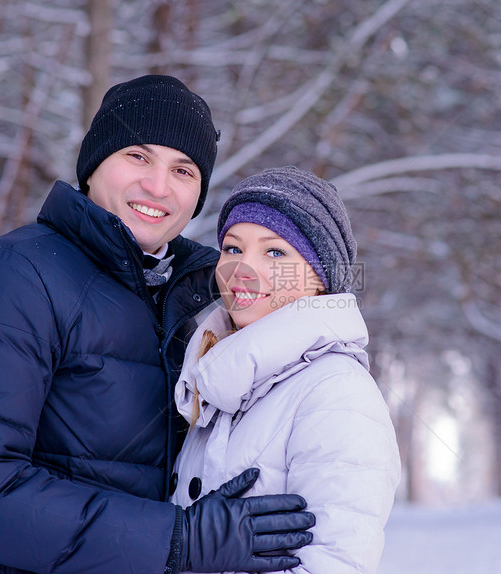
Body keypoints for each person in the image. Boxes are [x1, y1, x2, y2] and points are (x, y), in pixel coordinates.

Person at [0, 75, 315, 574]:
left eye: (184, 170)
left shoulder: (201, 296)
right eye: (138, 157)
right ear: (93, 165)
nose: (158, 186)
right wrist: (180, 540)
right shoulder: (3, 278)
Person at [171, 166, 401, 573]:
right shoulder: (214, 378)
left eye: (275, 252)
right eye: (233, 248)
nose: (243, 269)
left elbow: (333, 563)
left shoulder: (335, 393)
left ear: (318, 277)